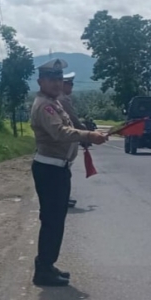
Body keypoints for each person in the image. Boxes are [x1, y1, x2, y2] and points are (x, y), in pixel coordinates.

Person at [29, 60, 108, 286]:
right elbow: (59, 132)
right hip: (50, 170)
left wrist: (87, 135)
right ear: (40, 81)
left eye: (58, 79)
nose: (56, 83)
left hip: (57, 168)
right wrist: (88, 136)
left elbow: (68, 126)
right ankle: (43, 269)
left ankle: (48, 265)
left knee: (55, 221)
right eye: (51, 79)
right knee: (52, 221)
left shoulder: (54, 102)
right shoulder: (44, 106)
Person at [59, 71, 89, 208]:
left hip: (62, 139)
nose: (71, 86)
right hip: (64, 141)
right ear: (63, 85)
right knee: (63, 170)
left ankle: (63, 197)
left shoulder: (60, 98)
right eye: (69, 84)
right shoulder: (63, 99)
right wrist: (88, 134)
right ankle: (62, 197)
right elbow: (74, 121)